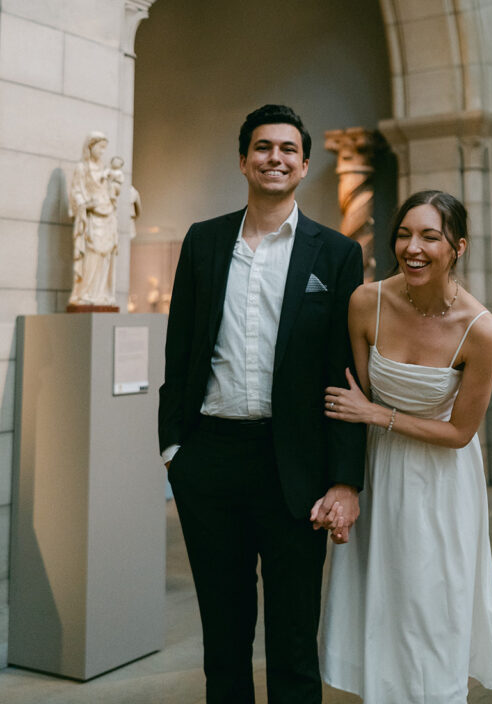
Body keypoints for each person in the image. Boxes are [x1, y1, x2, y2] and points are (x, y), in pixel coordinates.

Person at [158, 104, 365, 704]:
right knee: (223, 639)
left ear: (303, 165)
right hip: (211, 460)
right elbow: (180, 349)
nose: (275, 158)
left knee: (295, 639)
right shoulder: (204, 241)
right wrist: (175, 450)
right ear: (243, 160)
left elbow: (346, 372)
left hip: (294, 467)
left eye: (287, 150)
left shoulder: (335, 253)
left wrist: (345, 480)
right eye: (263, 148)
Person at [319, 190, 492, 704]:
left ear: (457, 247)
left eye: (429, 236)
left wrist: (379, 415)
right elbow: (354, 393)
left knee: (433, 607)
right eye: (403, 233)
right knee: (385, 608)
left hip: (443, 480)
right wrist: (344, 482)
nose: (412, 247)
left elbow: (460, 433)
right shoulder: (365, 302)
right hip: (381, 473)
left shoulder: (481, 329)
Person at [68, 131, 119, 306]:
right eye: (100, 147)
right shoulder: (82, 168)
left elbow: (110, 192)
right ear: (91, 146)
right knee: (92, 255)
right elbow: (76, 192)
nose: (103, 151)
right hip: (91, 218)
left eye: (105, 148)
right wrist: (86, 204)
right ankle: (85, 293)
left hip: (107, 217)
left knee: (105, 257)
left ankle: (100, 295)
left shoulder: (105, 170)